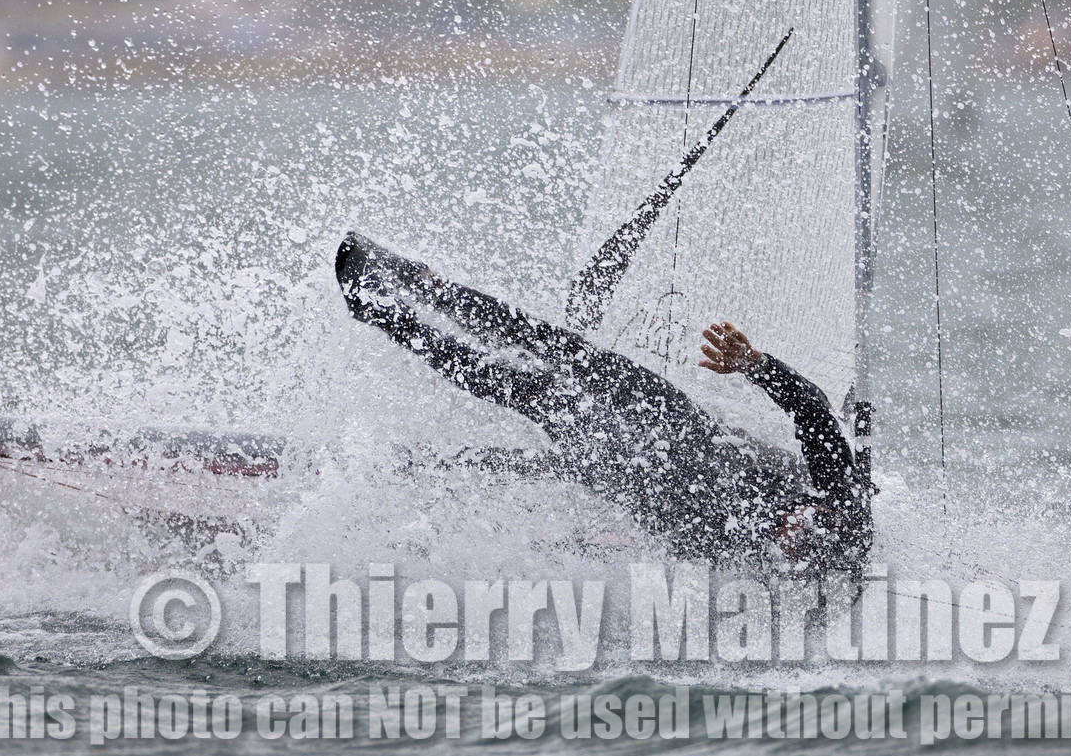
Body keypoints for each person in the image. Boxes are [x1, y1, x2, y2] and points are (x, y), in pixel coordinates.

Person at [336, 232, 873, 574]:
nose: (789, 530)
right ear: (824, 508)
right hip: (677, 421)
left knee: (524, 388)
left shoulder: (773, 566)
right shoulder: (844, 501)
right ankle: (426, 285)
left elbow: (675, 553)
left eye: (793, 544)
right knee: (556, 346)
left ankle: (389, 319)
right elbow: (812, 409)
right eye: (802, 521)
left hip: (627, 471)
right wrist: (754, 363)